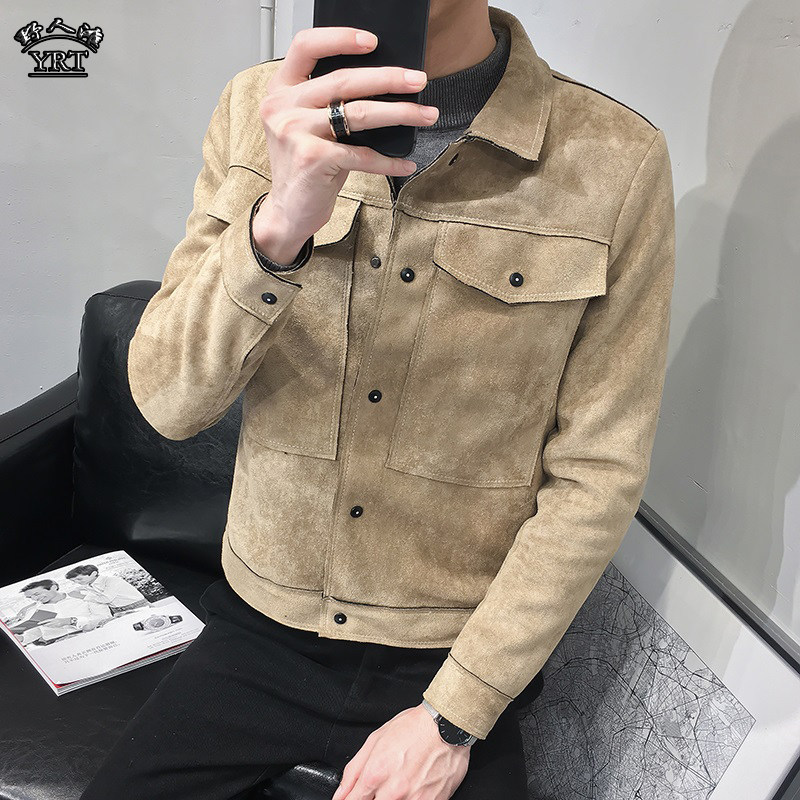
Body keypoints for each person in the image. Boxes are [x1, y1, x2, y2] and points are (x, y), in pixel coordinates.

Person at [81, 1, 676, 798]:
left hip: (453, 654)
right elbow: (168, 402)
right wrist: (278, 225)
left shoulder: (614, 160)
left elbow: (597, 472)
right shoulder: (260, 107)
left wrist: (454, 716)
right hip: (260, 632)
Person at [11, 579, 112, 646]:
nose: (34, 599)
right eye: (30, 597)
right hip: (54, 644)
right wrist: (22, 638)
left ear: (54, 587)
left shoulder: (82, 597)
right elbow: (37, 631)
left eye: (37, 594)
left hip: (91, 637)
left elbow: (105, 618)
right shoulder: (35, 610)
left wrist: (71, 621)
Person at [65, 564, 150, 616]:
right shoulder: (88, 585)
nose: (77, 582)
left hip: (137, 605)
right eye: (74, 581)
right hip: (116, 610)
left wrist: (81, 596)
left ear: (93, 574)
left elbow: (106, 599)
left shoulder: (112, 581)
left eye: (79, 579)